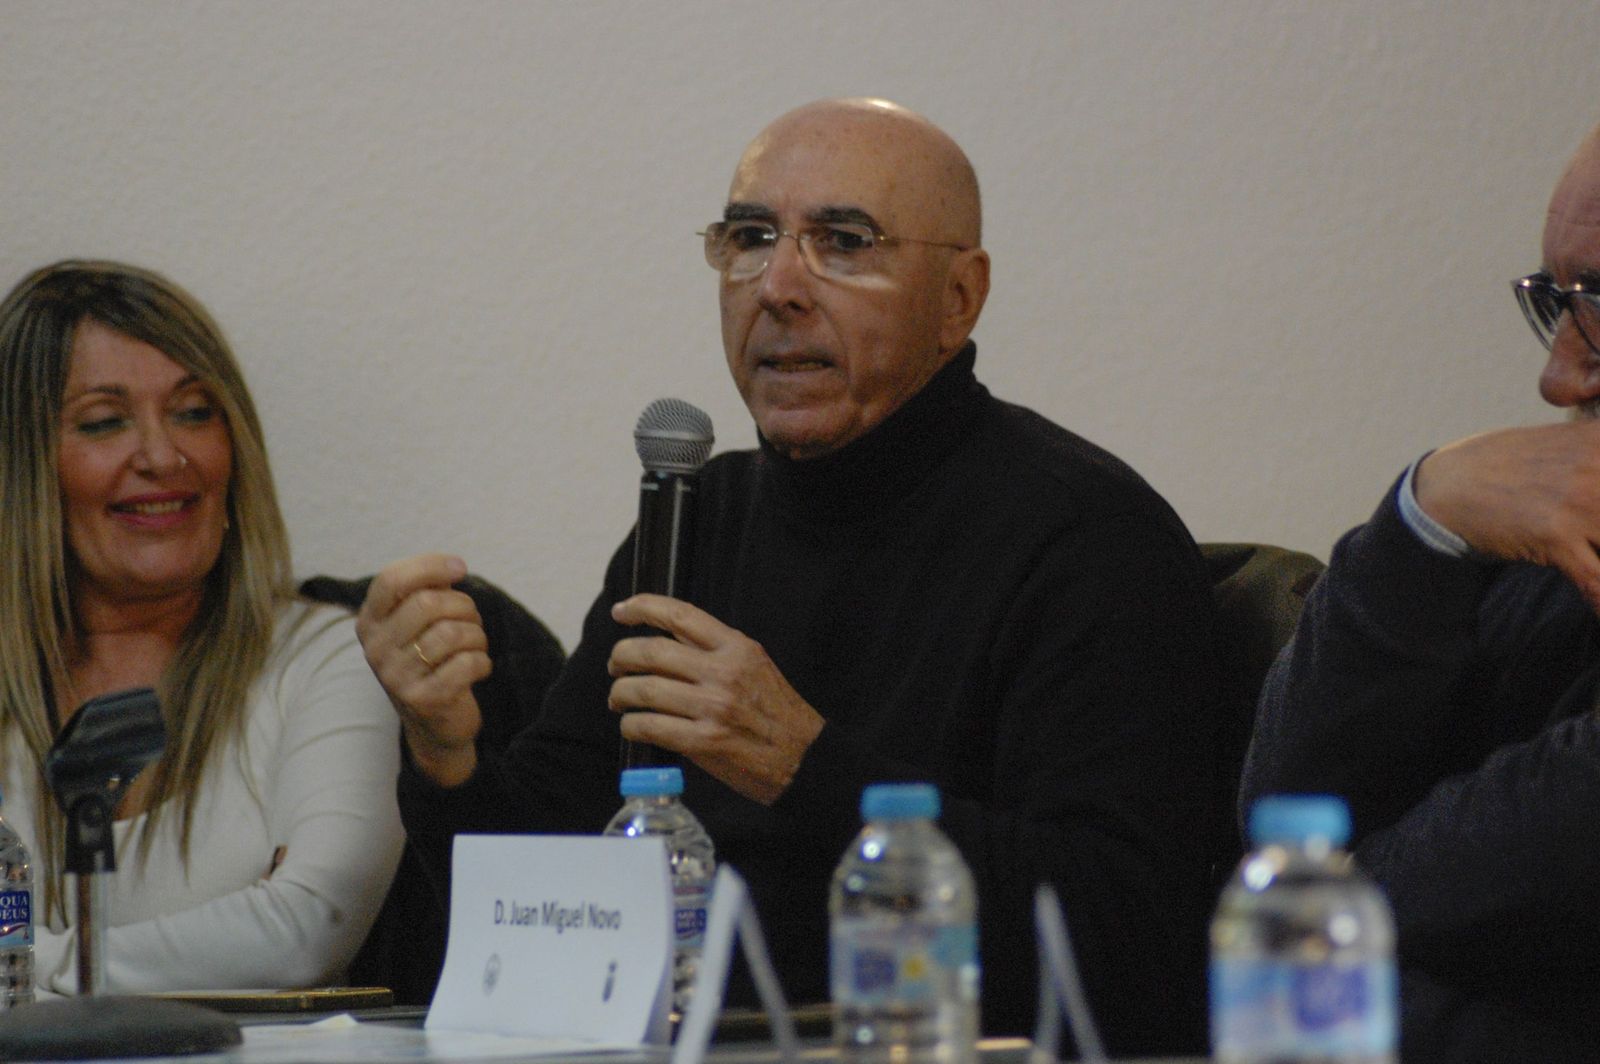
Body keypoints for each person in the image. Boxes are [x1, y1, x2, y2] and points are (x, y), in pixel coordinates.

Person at [361, 99, 1225, 1055]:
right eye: (750, 236)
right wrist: (448, 757)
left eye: (843, 241)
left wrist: (805, 766)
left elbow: (1126, 937)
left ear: (959, 299)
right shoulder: (700, 516)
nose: (777, 285)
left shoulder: (1087, 536)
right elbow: (552, 899)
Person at [1243, 123, 1600, 1061]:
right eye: (1554, 301)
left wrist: (1320, 937)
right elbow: (1282, 835)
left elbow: (1296, 927)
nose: (1558, 376)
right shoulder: (1543, 537)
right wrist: (1421, 522)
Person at [0, 260, 404, 994]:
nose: (162, 456)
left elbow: (304, 934)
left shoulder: (327, 659)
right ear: (24, 465)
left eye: (193, 412)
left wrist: (23, 966)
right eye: (103, 422)